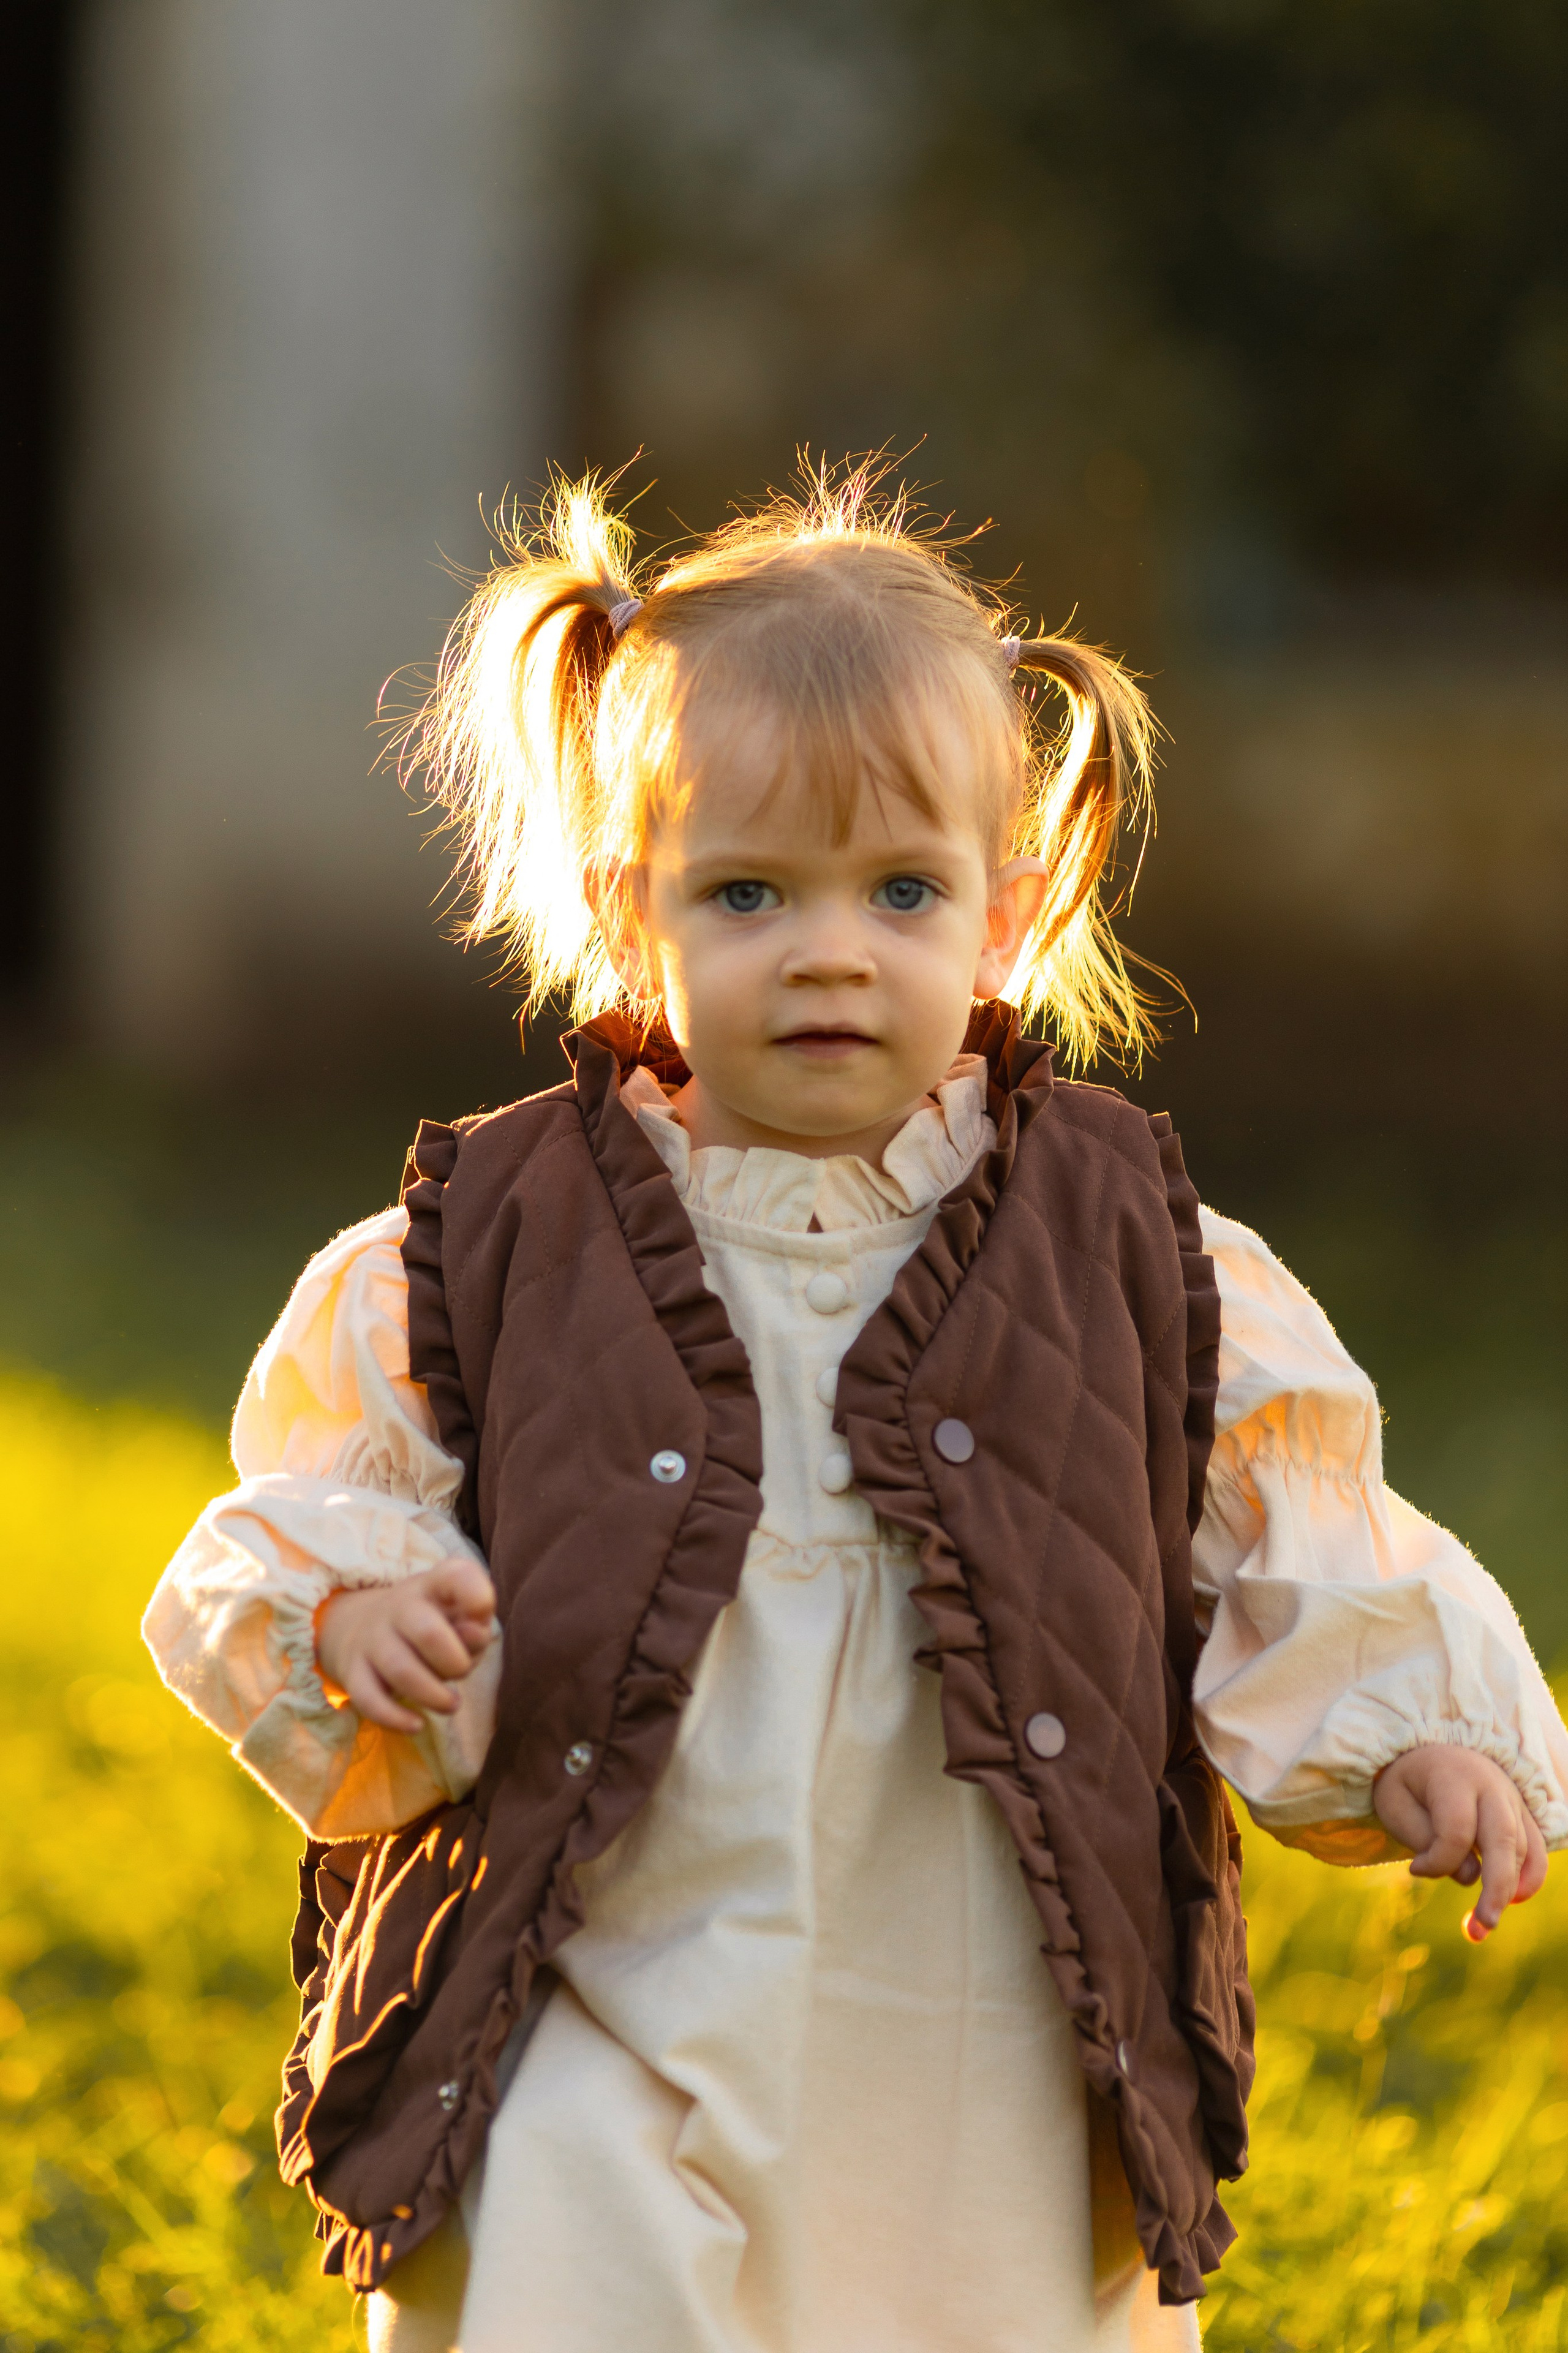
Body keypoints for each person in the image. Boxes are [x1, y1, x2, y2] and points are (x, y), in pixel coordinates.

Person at [145, 464, 1566, 2353]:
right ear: (627, 908)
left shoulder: (1138, 1259)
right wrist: (353, 1612)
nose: (833, 948)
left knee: (975, 2299)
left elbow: (1294, 1533)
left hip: (979, 2002)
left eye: (903, 888)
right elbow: (321, 1504)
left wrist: (1418, 1733)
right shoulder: (477, 1250)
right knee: (575, 2258)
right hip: (607, 1970)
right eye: (749, 891)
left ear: (1007, 910)